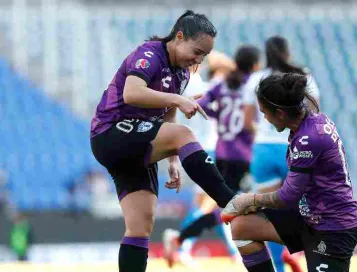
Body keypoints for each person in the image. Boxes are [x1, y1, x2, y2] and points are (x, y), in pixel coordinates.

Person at [90, 10, 236, 272]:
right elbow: (133, 93)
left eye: (204, 55)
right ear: (179, 37)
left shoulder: (181, 72)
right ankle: (230, 202)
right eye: (197, 51)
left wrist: (172, 159)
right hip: (111, 133)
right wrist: (178, 100)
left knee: (140, 225)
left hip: (137, 142)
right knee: (185, 135)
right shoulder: (149, 54)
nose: (199, 59)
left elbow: (167, 113)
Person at [222, 73, 357, 272]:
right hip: (309, 217)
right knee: (242, 227)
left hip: (333, 226)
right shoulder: (309, 124)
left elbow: (288, 196)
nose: (264, 118)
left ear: (279, 112)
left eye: (265, 112)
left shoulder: (309, 138)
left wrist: (249, 200)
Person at [163, 45, 261, 267]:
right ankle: (181, 241)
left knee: (222, 205)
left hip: (217, 151)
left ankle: (230, 249)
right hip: (225, 152)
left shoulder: (219, 86)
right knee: (224, 205)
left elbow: (205, 105)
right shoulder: (245, 86)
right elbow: (247, 121)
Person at [242, 35, 320, 272]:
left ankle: (278, 267)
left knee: (271, 214)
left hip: (264, 150)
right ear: (288, 51)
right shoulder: (303, 75)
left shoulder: (256, 78)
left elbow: (247, 122)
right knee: (309, 209)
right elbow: (315, 115)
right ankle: (317, 263)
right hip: (294, 148)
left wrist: (265, 131)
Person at [172, 51, 235, 266]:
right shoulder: (207, 86)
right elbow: (233, 68)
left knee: (212, 205)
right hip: (210, 149)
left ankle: (234, 252)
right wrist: (213, 55)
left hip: (195, 146)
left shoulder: (196, 85)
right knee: (212, 203)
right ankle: (179, 244)